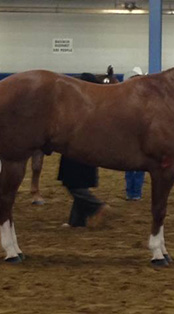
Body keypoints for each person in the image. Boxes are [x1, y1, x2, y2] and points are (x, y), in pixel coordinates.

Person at [57, 72, 107, 227]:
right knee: (79, 184)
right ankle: (77, 221)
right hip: (89, 150)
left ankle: (97, 206)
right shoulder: (98, 104)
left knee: (73, 185)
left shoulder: (79, 104)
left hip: (76, 148)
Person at [123, 67, 145, 201]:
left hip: (133, 138)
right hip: (136, 138)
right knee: (135, 168)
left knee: (132, 167)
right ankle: (134, 192)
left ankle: (132, 192)